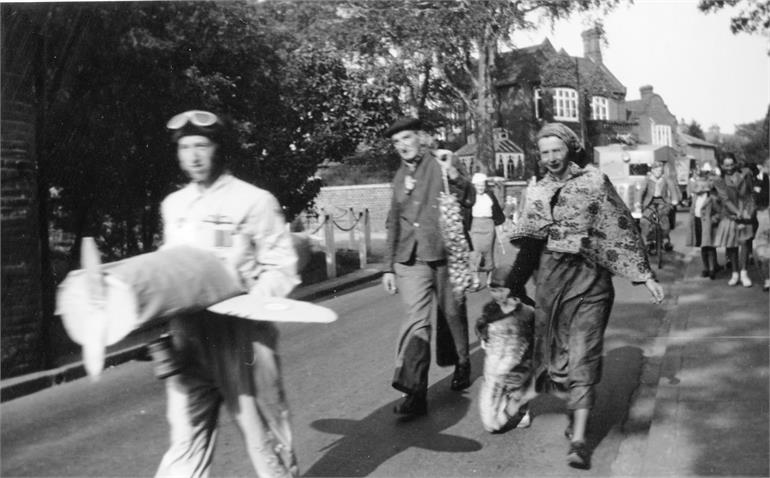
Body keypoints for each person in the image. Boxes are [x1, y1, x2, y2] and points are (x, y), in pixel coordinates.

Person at [509, 122, 665, 469]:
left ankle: (579, 441)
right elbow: (530, 245)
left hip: (591, 284)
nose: (551, 158)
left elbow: (620, 230)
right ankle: (571, 408)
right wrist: (512, 284)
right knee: (556, 360)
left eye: (557, 150)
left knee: (583, 357)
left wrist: (644, 276)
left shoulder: (594, 182)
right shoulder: (536, 192)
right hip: (551, 286)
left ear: (570, 149)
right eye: (545, 152)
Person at [156, 110, 300, 477]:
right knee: (186, 435)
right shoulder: (174, 206)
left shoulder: (253, 200)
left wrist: (254, 301)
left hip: (243, 334)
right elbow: (169, 268)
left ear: (218, 148)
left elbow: (282, 266)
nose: (193, 156)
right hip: (189, 335)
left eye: (201, 146)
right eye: (185, 147)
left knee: (263, 433)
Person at [382, 116, 472, 417]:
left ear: (420, 137)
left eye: (406, 138)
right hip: (411, 260)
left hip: (445, 253)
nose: (401, 146)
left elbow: (468, 198)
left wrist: (455, 175)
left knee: (452, 313)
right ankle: (415, 391)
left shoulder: (443, 161)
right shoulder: (398, 177)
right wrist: (387, 266)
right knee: (416, 322)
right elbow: (393, 222)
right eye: (396, 142)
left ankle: (462, 361)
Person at [475, 265, 536, 433]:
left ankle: (521, 407)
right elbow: (482, 326)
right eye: (494, 290)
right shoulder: (491, 308)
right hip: (496, 362)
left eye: (502, 290)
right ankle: (506, 403)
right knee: (490, 423)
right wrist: (484, 336)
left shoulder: (528, 309)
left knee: (517, 383)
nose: (498, 295)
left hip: (520, 360)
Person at [713, 154, 755, 287]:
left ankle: (744, 272)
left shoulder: (745, 175)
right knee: (731, 245)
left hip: (745, 213)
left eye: (731, 164)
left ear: (736, 164)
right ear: (722, 166)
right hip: (730, 214)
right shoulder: (719, 180)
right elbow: (725, 199)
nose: (729, 168)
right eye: (726, 165)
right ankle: (735, 273)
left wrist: (747, 211)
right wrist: (737, 212)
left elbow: (750, 194)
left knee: (745, 243)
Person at [467, 172, 505, 290]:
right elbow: (466, 211)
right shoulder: (471, 197)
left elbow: (497, 211)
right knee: (475, 254)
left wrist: (499, 225)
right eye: (478, 185)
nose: (481, 187)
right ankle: (476, 281)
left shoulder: (490, 195)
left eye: (482, 185)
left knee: (489, 254)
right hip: (475, 226)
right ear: (474, 185)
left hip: (488, 227)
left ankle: (489, 281)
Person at [639, 158, 679, 253]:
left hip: (663, 202)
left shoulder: (665, 179)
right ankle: (649, 242)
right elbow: (641, 191)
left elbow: (672, 189)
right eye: (657, 170)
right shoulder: (648, 179)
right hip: (650, 202)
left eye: (660, 170)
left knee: (664, 220)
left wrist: (674, 199)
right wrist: (638, 202)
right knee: (645, 221)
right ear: (652, 170)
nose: (659, 172)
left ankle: (665, 240)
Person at [686, 172, 721, 279]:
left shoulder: (711, 198)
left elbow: (719, 211)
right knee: (703, 247)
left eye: (699, 187)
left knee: (709, 247)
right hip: (698, 223)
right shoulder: (695, 198)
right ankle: (706, 268)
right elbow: (693, 209)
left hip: (708, 225)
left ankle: (712, 269)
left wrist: (714, 219)